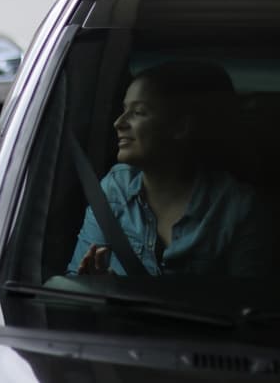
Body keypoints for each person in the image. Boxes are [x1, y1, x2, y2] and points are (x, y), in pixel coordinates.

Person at [67, 60, 270, 277]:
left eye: (138, 112)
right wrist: (96, 284)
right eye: (124, 110)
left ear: (180, 127)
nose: (119, 122)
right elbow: (74, 280)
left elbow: (247, 301)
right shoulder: (113, 190)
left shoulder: (236, 208)